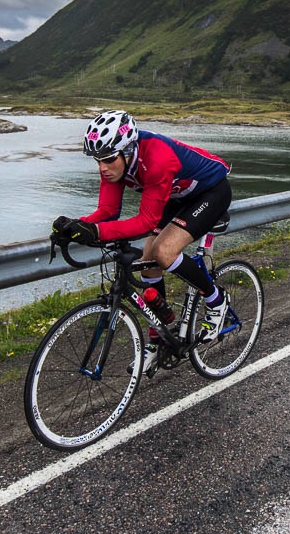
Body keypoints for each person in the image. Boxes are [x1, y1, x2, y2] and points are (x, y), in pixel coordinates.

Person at [52, 110, 232, 371]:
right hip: (177, 197)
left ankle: (216, 301)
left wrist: (98, 232)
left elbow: (146, 222)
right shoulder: (116, 164)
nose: (102, 168)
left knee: (164, 252)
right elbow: (108, 211)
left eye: (108, 159)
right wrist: (76, 225)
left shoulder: (158, 158)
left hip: (210, 193)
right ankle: (158, 338)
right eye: (97, 160)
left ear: (126, 151)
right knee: (147, 263)